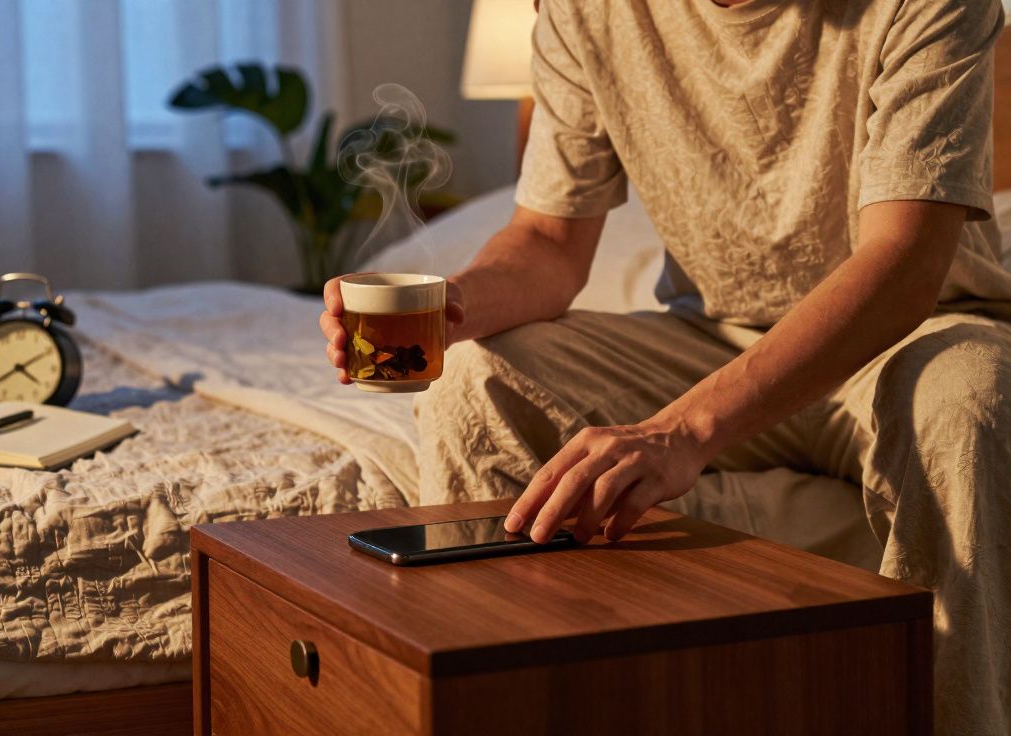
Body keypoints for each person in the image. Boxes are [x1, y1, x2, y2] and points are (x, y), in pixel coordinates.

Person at [319, 0, 1009, 731]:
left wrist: (682, 432)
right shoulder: (586, 10)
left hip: (912, 335)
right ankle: (520, 708)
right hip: (709, 336)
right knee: (474, 383)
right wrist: (453, 303)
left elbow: (903, 262)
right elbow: (549, 242)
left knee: (969, 404)